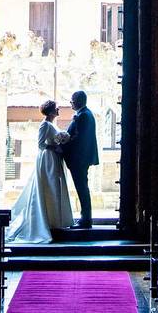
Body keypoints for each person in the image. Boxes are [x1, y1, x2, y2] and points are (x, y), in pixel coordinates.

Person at [6, 100, 74, 243]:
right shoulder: (44, 125)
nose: (58, 110)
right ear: (50, 111)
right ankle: (46, 221)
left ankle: (54, 220)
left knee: (55, 187)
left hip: (53, 159)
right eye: (56, 108)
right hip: (47, 160)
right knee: (48, 186)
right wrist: (54, 147)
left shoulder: (51, 124)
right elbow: (41, 144)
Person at [61, 90, 99, 229]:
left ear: (79, 101)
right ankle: (85, 217)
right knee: (82, 187)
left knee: (82, 188)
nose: (70, 103)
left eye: (72, 100)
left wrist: (62, 147)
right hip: (81, 158)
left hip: (79, 159)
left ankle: (86, 219)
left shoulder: (83, 116)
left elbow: (77, 138)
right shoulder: (85, 114)